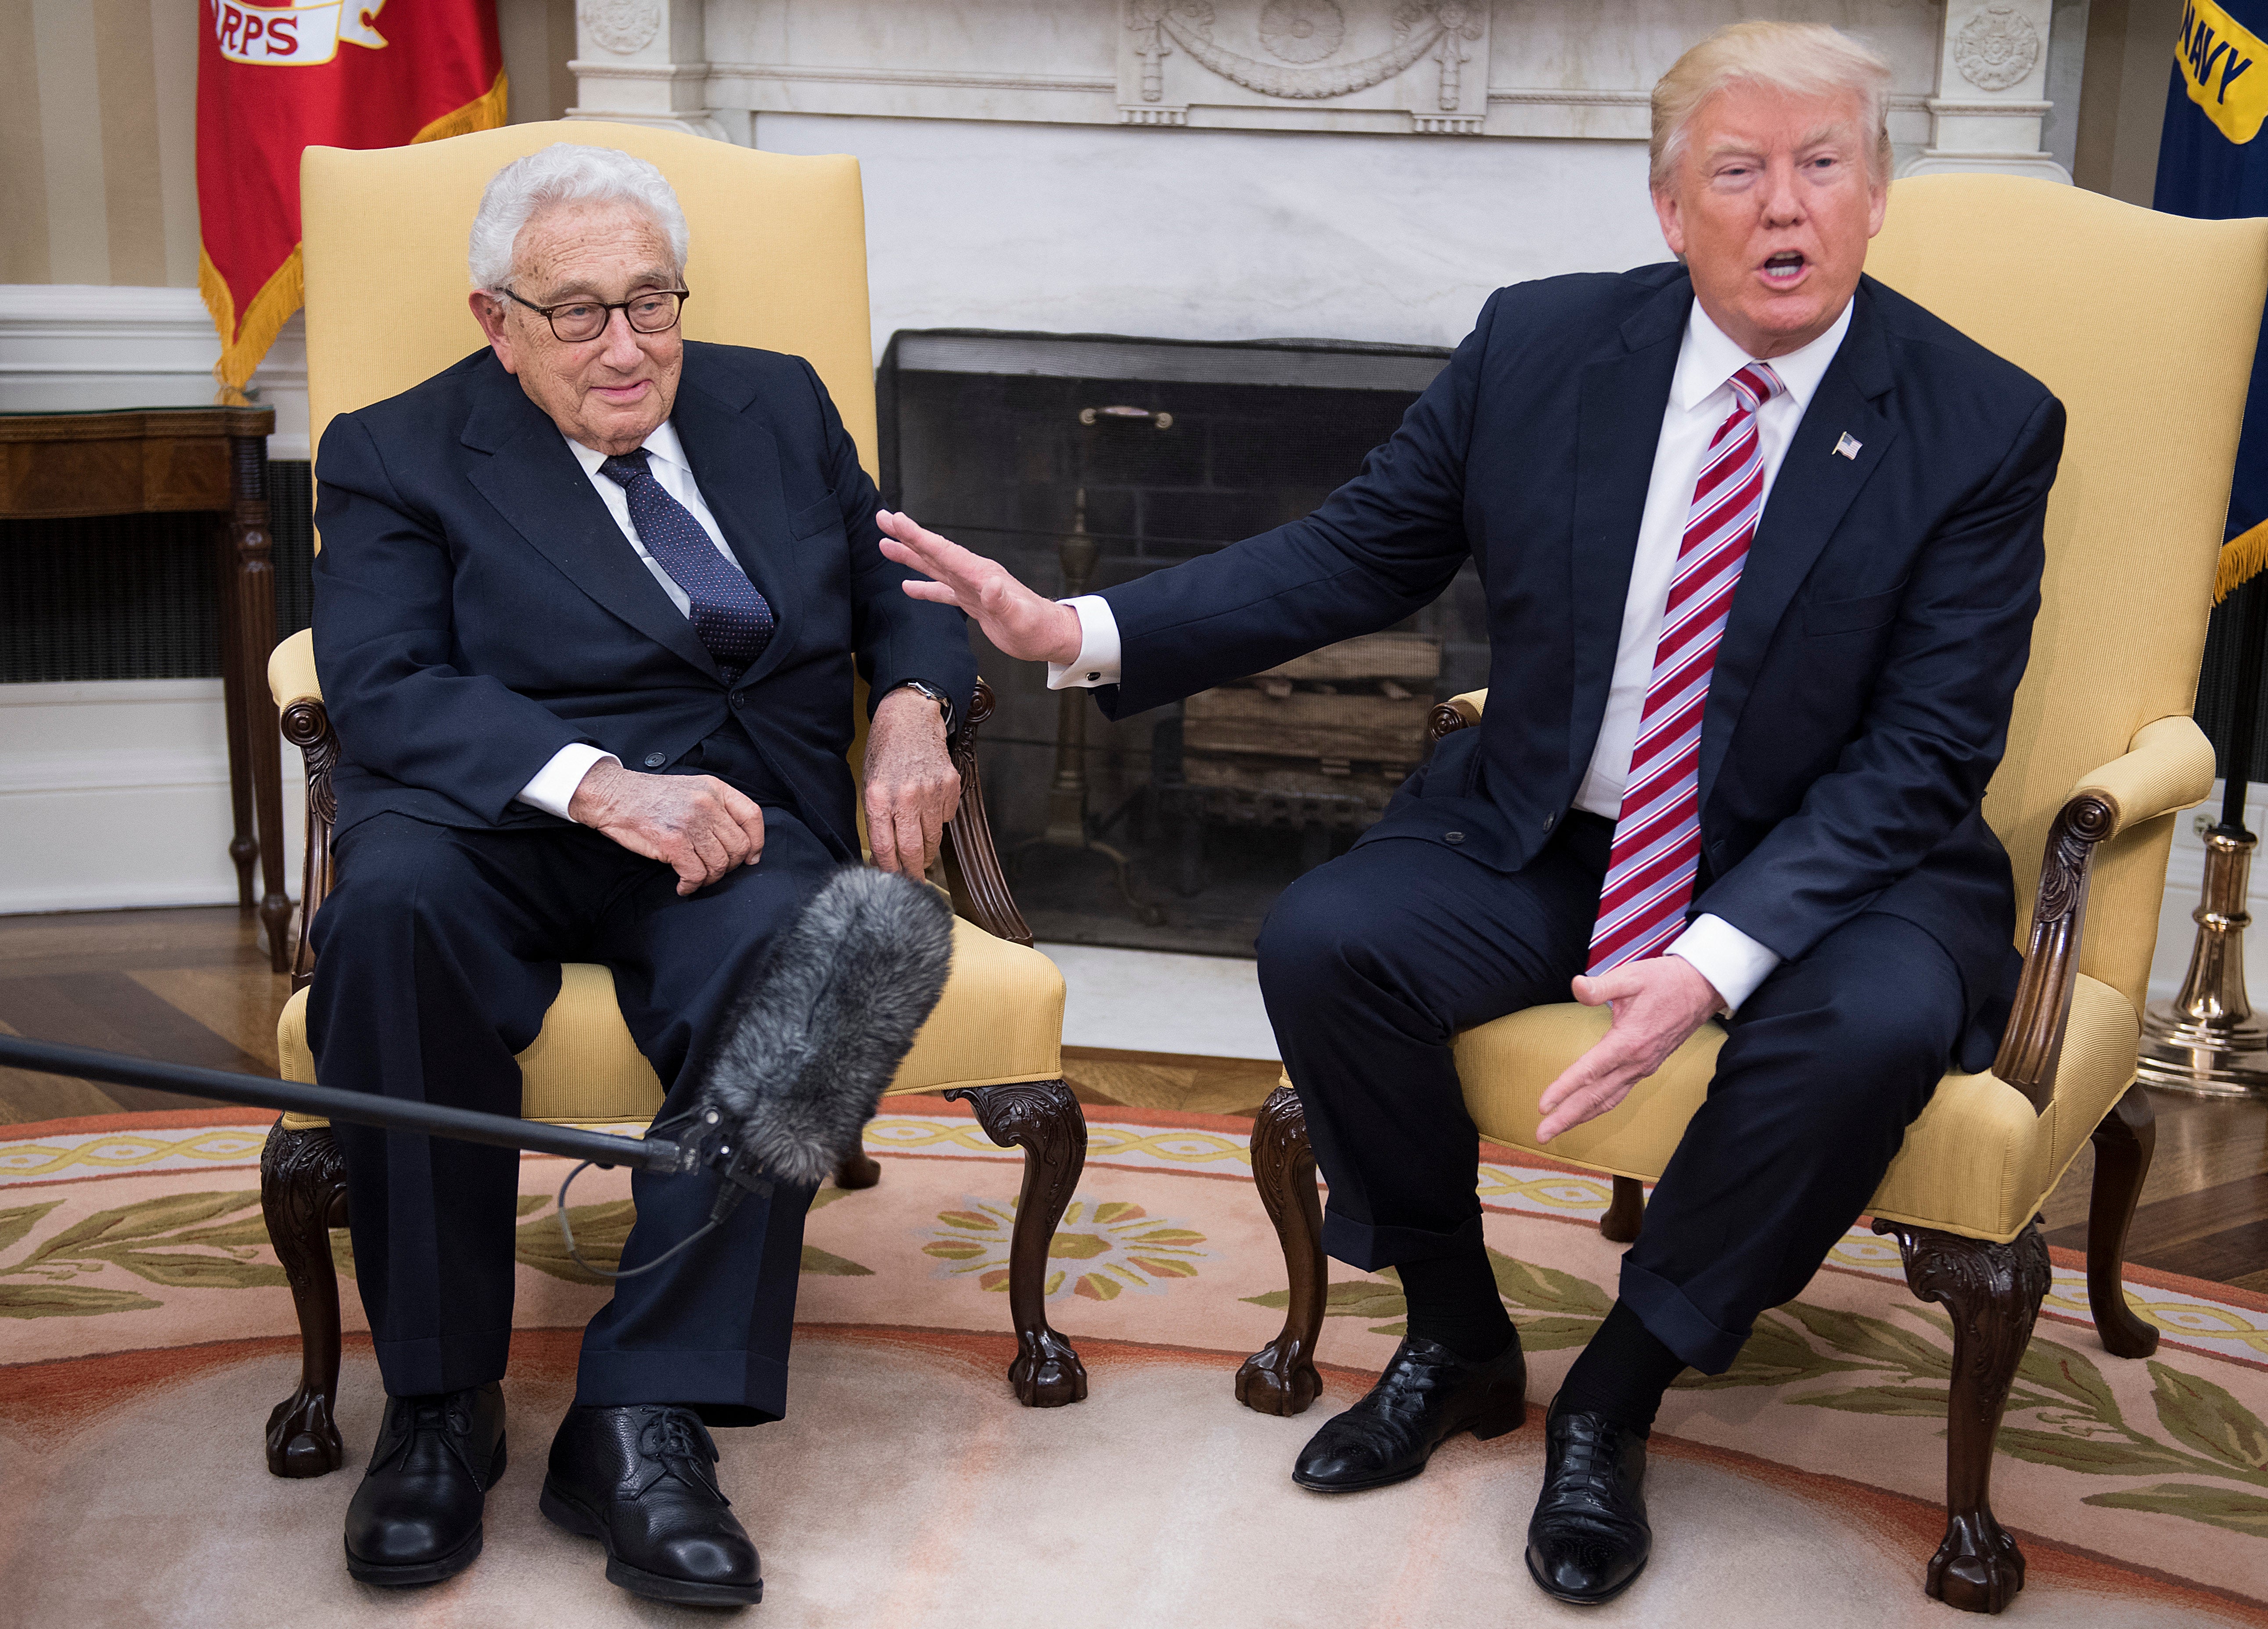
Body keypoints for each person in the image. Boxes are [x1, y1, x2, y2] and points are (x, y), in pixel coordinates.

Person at [879, 21, 2061, 1607]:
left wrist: (1714, 961)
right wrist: (1078, 631)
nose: (1788, 206)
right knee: (1327, 941)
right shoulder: (1545, 347)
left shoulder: (1980, 422)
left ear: (1876, 193)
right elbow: (1355, 554)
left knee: (1857, 1037)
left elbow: (1925, 750)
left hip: (1844, 866)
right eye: (1741, 170)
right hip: (1564, 827)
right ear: (1670, 208)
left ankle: (1618, 1396)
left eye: (1823, 165)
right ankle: (1457, 1333)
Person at [307, 143, 973, 1606]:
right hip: (499, 810)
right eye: (580, 312)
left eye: (652, 302)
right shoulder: (393, 448)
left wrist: (915, 704)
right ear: (497, 319)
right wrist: (601, 786)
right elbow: (384, 679)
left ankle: (639, 1416)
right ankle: (438, 1404)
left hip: (736, 819)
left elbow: (900, 584)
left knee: (836, 958)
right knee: (390, 924)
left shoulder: (777, 398)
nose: (626, 346)